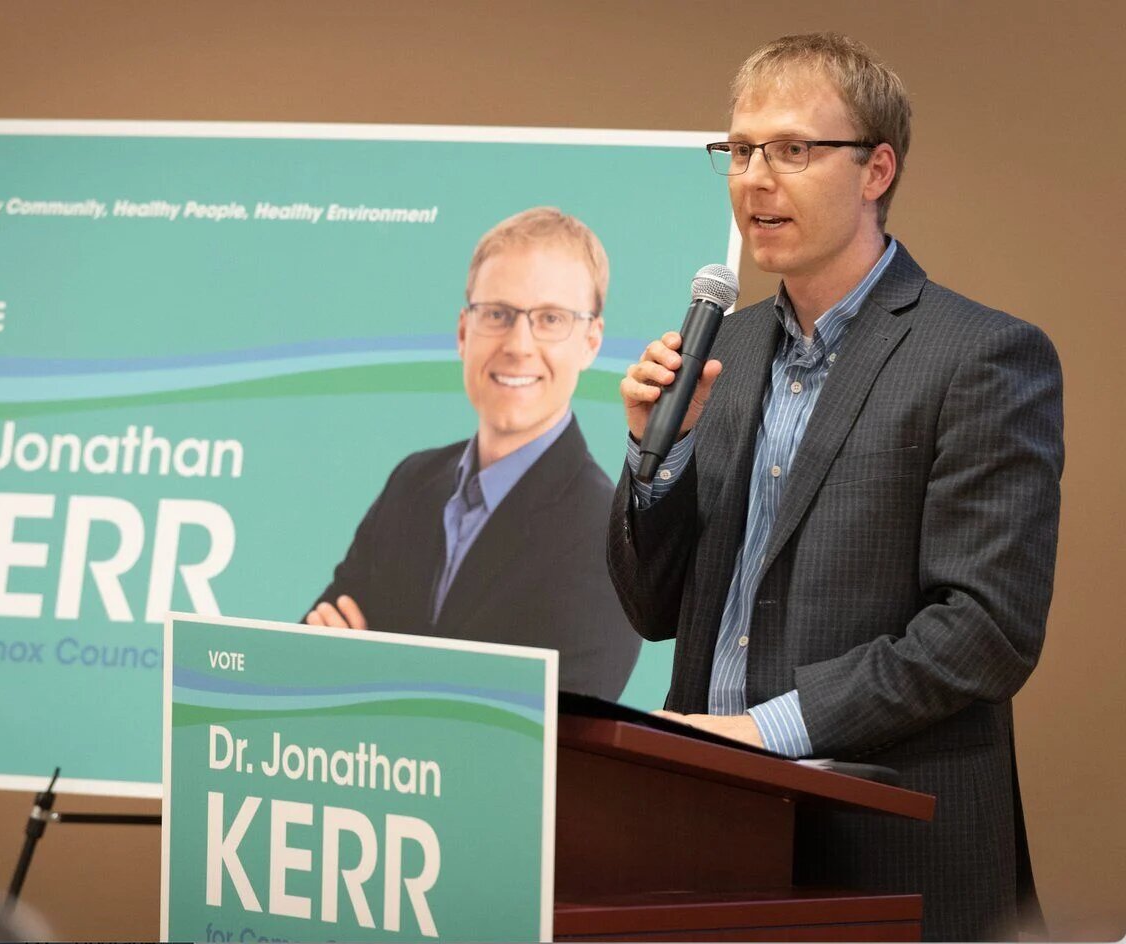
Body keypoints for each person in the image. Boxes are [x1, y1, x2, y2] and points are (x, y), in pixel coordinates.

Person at [608, 33, 1062, 941]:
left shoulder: (982, 356)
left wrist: (768, 732)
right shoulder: (723, 351)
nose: (755, 179)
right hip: (709, 833)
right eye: (740, 150)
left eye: (792, 150)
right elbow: (651, 609)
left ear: (875, 170)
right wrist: (656, 457)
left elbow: (985, 630)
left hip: (884, 851)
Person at [308, 207, 640, 699]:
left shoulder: (609, 539)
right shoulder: (412, 484)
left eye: (550, 319)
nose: (519, 345)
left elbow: (553, 733)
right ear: (464, 332)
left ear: (591, 343)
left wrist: (367, 679)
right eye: (498, 315)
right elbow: (308, 658)